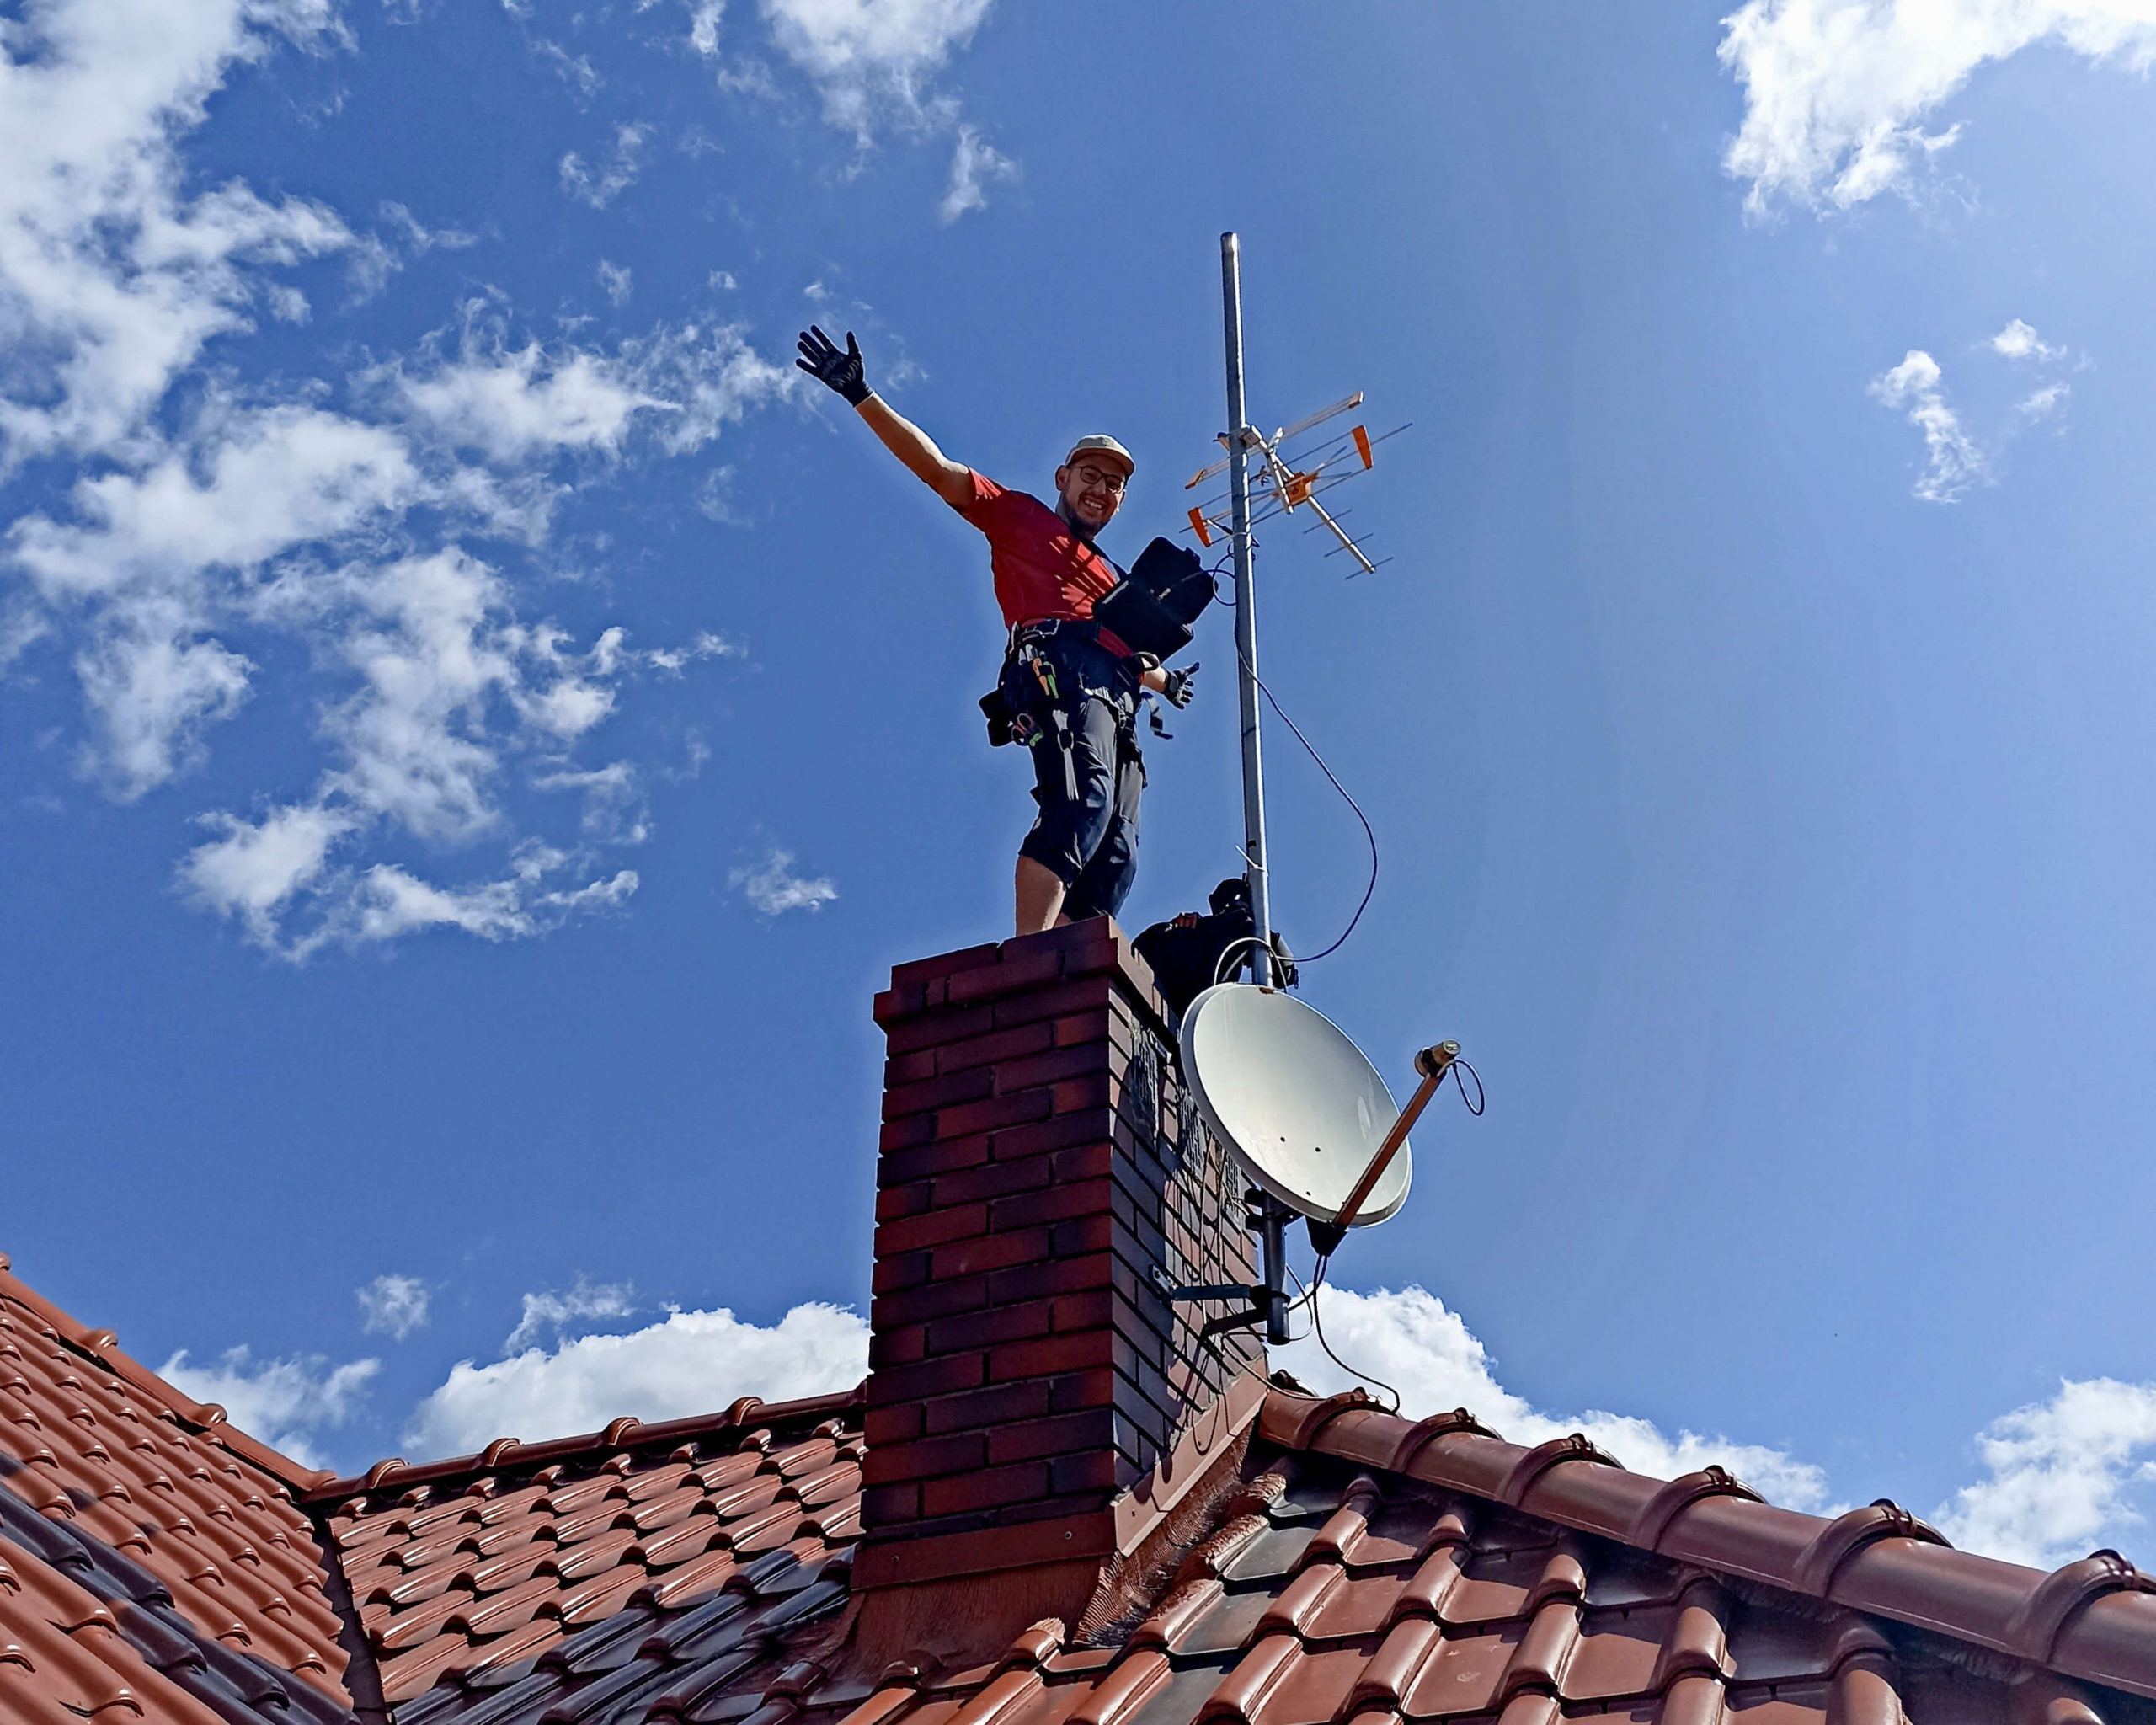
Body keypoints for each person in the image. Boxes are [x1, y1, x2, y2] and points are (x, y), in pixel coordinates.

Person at [796, 324, 1197, 936]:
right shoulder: (1022, 518)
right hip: (1060, 670)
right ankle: (1031, 959)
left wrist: (1164, 681)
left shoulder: (1116, 579)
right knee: (1079, 803)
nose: (1102, 489)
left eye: (1114, 484)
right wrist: (862, 396)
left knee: (1116, 851)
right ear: (1062, 478)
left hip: (1117, 695)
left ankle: (1074, 979)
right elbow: (936, 471)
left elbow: (1124, 647)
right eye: (1090, 474)